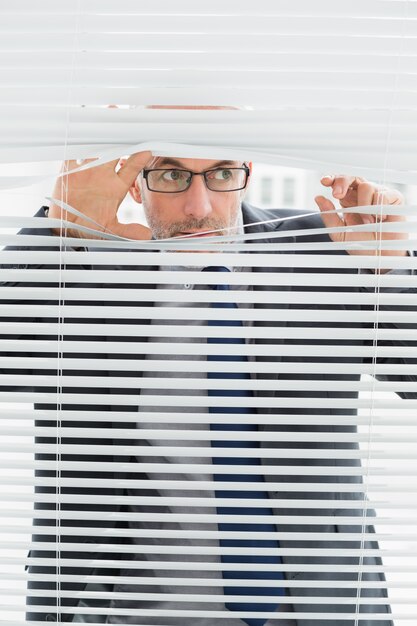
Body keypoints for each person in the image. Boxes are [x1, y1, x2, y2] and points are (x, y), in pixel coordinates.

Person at [2, 152, 413, 625]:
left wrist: (391, 269)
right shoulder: (82, 263)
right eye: (172, 175)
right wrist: (58, 230)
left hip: (321, 604)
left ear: (247, 175)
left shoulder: (330, 244)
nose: (198, 207)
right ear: (136, 184)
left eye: (221, 174)